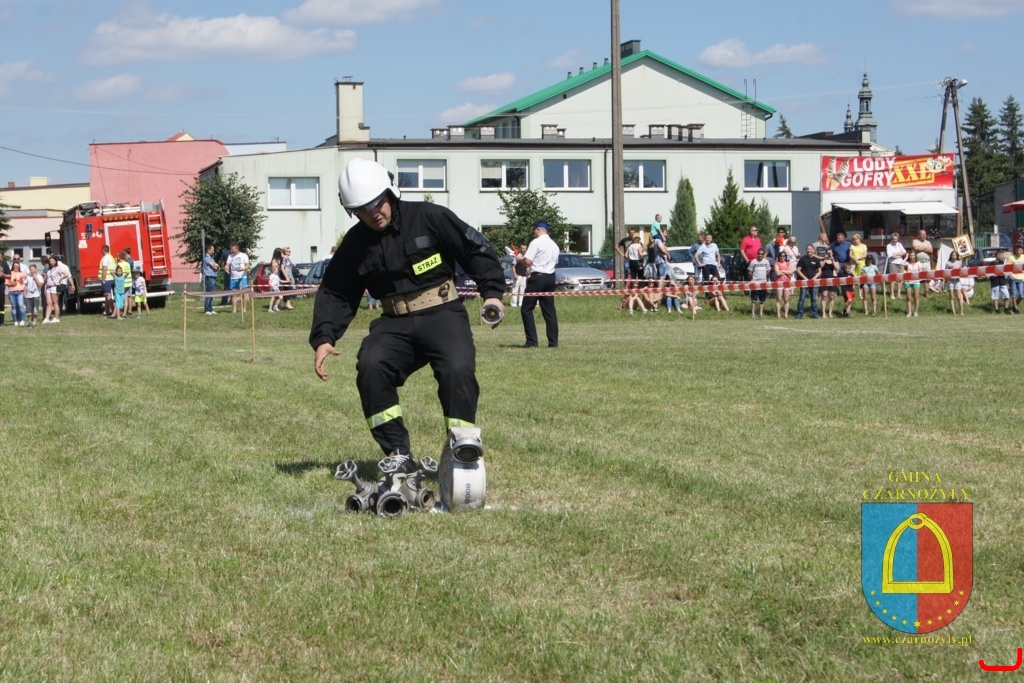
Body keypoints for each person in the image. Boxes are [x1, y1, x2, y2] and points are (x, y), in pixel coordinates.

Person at [310, 158, 505, 470]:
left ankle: (462, 445)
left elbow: (474, 250)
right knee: (372, 366)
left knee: (457, 369)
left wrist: (492, 292)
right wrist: (324, 337)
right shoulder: (355, 244)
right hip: (394, 322)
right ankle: (397, 454)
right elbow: (337, 291)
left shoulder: (430, 216)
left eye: (377, 203)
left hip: (443, 313)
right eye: (362, 209)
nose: (373, 213)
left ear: (389, 192)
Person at [517, 221, 559, 348]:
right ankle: (553, 342)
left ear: (538, 230)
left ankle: (532, 341)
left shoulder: (536, 242)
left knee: (526, 309)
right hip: (550, 278)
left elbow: (528, 262)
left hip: (538, 278)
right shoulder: (554, 245)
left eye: (534, 230)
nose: (534, 233)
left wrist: (519, 259)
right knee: (549, 311)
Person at [795, 244, 821, 319]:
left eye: (810, 249)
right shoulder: (802, 259)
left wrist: (814, 278)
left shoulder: (816, 260)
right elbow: (798, 270)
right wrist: (805, 278)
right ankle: (799, 314)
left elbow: (819, 271)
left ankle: (814, 314)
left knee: (813, 298)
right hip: (804, 281)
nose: (808, 250)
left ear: (813, 250)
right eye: (807, 249)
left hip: (813, 282)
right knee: (802, 298)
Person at [42, 256, 70, 324]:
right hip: (48, 287)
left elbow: (66, 274)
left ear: (55, 261)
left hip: (55, 287)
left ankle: (56, 317)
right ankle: (47, 318)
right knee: (49, 303)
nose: (51, 262)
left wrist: (60, 279)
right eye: (50, 261)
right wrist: (45, 287)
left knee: (55, 302)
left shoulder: (59, 268)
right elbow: (47, 279)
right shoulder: (49, 269)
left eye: (52, 261)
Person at [227, 242, 250, 314]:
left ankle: (244, 309)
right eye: (231, 249)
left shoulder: (244, 256)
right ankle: (234, 309)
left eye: (232, 249)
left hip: (242, 277)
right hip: (233, 278)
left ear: (237, 249)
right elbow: (227, 265)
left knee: (244, 293)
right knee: (234, 294)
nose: (231, 250)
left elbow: (248, 265)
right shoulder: (230, 256)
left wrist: (243, 269)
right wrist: (226, 268)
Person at [747, 247, 771, 319]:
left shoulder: (766, 262)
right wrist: (753, 278)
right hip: (755, 282)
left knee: (762, 299)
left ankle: (761, 313)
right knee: (754, 299)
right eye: (759, 253)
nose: (760, 255)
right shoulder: (753, 262)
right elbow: (750, 271)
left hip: (763, 282)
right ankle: (753, 314)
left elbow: (768, 270)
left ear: (764, 255)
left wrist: (763, 276)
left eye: (761, 254)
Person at [885, 232, 907, 300]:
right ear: (891, 239)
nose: (894, 240)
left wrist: (895, 254)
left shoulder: (899, 244)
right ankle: (892, 293)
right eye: (893, 239)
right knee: (892, 279)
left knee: (900, 279)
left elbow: (904, 252)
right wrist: (899, 254)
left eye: (896, 239)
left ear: (898, 239)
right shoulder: (888, 246)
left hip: (900, 263)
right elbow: (890, 256)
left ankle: (898, 294)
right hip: (892, 263)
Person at [912, 229, 934, 298]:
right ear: (918, 235)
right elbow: (915, 248)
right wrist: (925, 248)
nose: (924, 236)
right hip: (919, 262)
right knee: (917, 279)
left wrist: (920, 248)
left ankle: (926, 293)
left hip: (927, 262)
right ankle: (916, 293)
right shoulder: (915, 241)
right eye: (922, 234)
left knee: (927, 279)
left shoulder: (928, 242)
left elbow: (931, 250)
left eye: (925, 234)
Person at [774, 251, 795, 319]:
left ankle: (786, 314)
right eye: (781, 256)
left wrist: (782, 271)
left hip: (787, 283)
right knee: (779, 299)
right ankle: (778, 315)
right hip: (779, 282)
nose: (782, 257)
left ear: (785, 257)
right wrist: (787, 272)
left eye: (783, 256)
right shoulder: (776, 264)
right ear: (779, 256)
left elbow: (791, 272)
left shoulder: (789, 263)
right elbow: (778, 273)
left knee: (786, 299)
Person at [990, 250, 1010, 314]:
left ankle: (1006, 309)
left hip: (1002, 281)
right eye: (1001, 255)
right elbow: (990, 273)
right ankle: (996, 309)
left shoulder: (1002, 262)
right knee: (995, 296)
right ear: (998, 255)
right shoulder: (992, 263)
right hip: (995, 281)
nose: (1002, 256)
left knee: (1006, 295)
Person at [6, 262, 26, 326]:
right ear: (13, 266)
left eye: (17, 266)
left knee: (20, 306)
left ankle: (22, 320)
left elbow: (25, 278)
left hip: (20, 292)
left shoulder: (21, 273)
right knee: (14, 307)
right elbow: (6, 282)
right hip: (12, 292)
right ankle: (15, 321)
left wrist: (23, 276)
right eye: (15, 266)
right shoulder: (10, 273)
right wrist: (12, 284)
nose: (16, 267)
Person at [1006, 244, 1024, 314]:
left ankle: (1013, 307)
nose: (1019, 252)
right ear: (1015, 251)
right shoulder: (1011, 258)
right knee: (1014, 294)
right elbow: (1007, 268)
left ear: (1022, 251)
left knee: (1021, 295)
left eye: (1020, 250)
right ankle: (1016, 309)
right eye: (1017, 250)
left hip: (1021, 278)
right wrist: (1010, 274)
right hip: (1013, 278)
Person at [99, 244, 116, 317]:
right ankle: (106, 311)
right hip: (112, 278)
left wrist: (103, 279)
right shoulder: (111, 257)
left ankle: (112, 311)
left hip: (107, 279)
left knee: (108, 295)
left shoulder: (105, 258)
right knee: (107, 295)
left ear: (103, 250)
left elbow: (105, 269)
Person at [820, 249, 838, 318]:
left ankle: (830, 312)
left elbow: (837, 268)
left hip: (832, 280)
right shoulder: (823, 259)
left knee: (831, 297)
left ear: (832, 253)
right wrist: (825, 259)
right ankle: (823, 313)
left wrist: (833, 260)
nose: (829, 254)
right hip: (824, 279)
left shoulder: (835, 260)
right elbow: (820, 267)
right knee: (824, 296)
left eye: (830, 253)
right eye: (827, 253)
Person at [510, 242, 529, 307]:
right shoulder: (517, 256)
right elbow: (513, 266)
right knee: (515, 289)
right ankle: (514, 304)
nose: (524, 250)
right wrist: (515, 274)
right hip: (518, 275)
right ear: (520, 249)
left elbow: (527, 266)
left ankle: (521, 303)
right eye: (523, 248)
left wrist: (528, 274)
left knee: (523, 290)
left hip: (524, 275)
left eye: (525, 248)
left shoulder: (526, 257)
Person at [202, 244, 219, 315]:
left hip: (214, 277)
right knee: (209, 293)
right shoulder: (206, 258)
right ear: (208, 250)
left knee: (212, 294)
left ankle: (211, 309)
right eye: (212, 250)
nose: (213, 251)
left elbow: (217, 266)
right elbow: (214, 266)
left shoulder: (212, 258)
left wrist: (216, 266)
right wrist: (216, 266)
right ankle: (207, 309)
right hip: (209, 277)